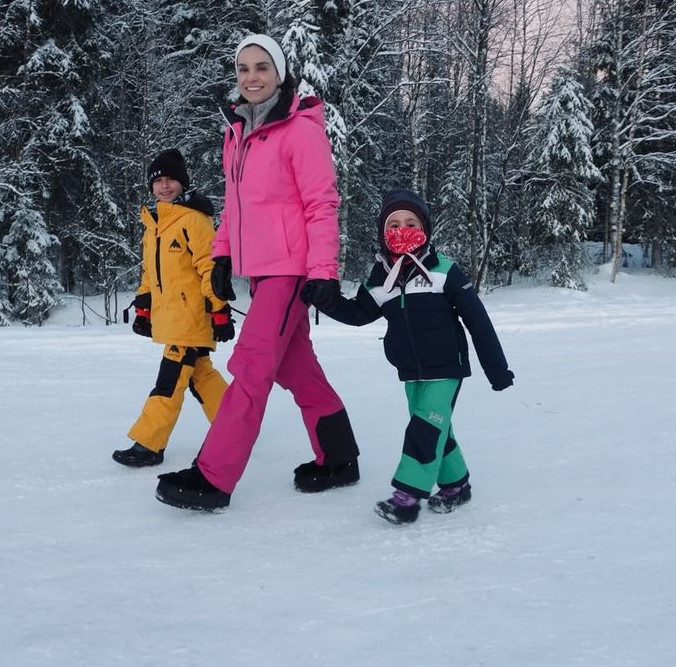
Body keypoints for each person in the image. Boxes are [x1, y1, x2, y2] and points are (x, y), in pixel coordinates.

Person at [155, 34, 360, 511]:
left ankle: (213, 476)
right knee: (297, 369)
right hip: (260, 272)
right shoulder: (237, 134)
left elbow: (322, 205)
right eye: (244, 68)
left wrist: (323, 272)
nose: (251, 77)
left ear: (281, 74)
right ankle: (339, 457)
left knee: (249, 367)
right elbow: (236, 205)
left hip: (291, 272)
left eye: (262, 67)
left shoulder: (300, 130)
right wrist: (223, 255)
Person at [309, 189, 514, 525]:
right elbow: (359, 314)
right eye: (393, 225)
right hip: (410, 370)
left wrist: (497, 369)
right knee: (437, 427)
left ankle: (406, 497)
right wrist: (325, 299)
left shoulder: (444, 271)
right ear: (382, 234)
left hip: (447, 367)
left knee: (423, 428)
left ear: (425, 229)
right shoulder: (380, 280)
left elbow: (478, 321)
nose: (401, 230)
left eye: (410, 223)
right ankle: (456, 486)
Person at [112, 149, 232, 468]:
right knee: (200, 375)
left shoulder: (193, 220)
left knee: (169, 380)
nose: (165, 187)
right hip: (173, 318)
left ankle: (150, 445)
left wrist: (219, 311)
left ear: (182, 184)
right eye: (159, 181)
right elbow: (151, 273)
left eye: (171, 181)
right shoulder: (156, 224)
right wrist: (143, 308)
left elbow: (211, 269)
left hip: (190, 317)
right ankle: (236, 425)